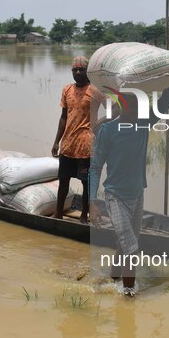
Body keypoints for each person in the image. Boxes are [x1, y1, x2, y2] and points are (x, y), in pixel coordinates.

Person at [89, 84, 169, 297]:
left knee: (123, 244)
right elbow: (95, 167)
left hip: (137, 195)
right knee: (131, 247)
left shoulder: (143, 124)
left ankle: (113, 280)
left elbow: (168, 99)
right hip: (115, 197)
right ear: (122, 105)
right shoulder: (108, 131)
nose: (136, 109)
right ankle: (129, 296)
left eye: (138, 104)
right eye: (131, 104)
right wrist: (91, 203)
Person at [51, 56, 105, 223]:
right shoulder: (67, 90)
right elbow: (63, 117)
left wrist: (99, 123)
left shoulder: (95, 90)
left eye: (81, 69)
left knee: (86, 183)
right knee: (63, 181)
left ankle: (83, 216)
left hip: (86, 146)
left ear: (87, 72)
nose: (78, 72)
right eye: (75, 70)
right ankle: (58, 213)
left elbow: (114, 109)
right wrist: (56, 141)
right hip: (68, 144)